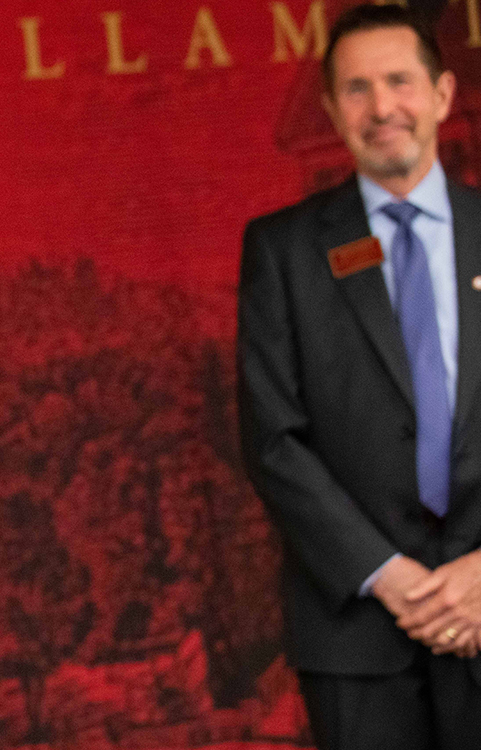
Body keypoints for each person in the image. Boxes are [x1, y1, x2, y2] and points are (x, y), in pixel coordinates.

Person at [237, 5, 481, 748]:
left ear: (441, 95)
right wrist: (391, 577)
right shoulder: (279, 250)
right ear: (329, 108)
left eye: (399, 81)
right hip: (355, 632)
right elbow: (271, 438)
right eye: (356, 88)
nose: (381, 108)